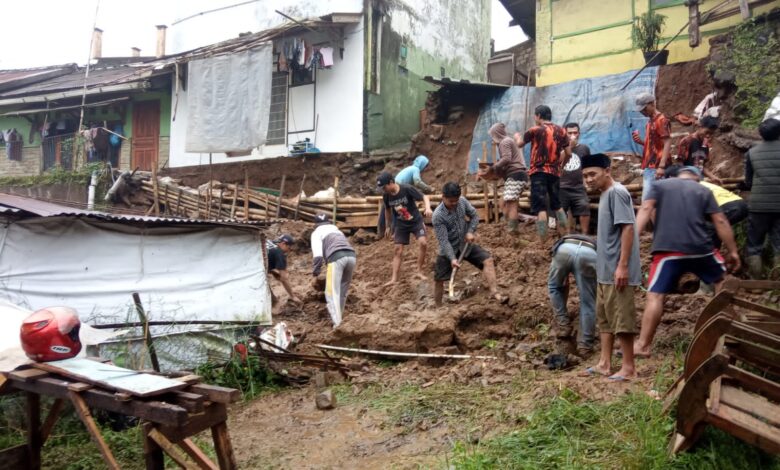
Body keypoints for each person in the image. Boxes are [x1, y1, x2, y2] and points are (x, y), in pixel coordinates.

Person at [634, 167, 741, 357]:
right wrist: (733, 251)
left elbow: (646, 209)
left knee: (655, 296)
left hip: (668, 251)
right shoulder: (703, 190)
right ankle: (729, 332)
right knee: (722, 283)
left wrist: (632, 242)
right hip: (702, 249)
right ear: (697, 178)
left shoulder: (659, 186)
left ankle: (643, 346)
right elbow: (721, 221)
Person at [581, 153, 642, 381]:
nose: (588, 179)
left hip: (618, 268)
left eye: (592, 174)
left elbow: (627, 228)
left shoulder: (617, 192)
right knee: (605, 318)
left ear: (608, 170)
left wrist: (623, 266)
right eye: (585, 176)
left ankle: (629, 367)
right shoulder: (605, 194)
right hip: (605, 270)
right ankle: (605, 363)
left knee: (622, 319)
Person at [432, 182, 504, 306]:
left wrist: (470, 231)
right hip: (449, 249)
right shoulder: (438, 216)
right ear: (443, 197)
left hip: (465, 244)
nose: (454, 204)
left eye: (456, 200)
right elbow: (444, 241)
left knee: (488, 261)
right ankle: (438, 306)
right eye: (451, 201)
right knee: (439, 279)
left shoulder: (462, 201)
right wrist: (452, 258)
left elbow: (474, 216)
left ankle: (495, 293)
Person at [514, 104, 572, 240]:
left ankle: (543, 240)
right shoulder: (562, 131)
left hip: (538, 172)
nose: (535, 118)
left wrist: (517, 136)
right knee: (557, 205)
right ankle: (566, 235)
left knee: (540, 207)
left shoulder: (535, 129)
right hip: (554, 173)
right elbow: (568, 152)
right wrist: (561, 166)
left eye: (535, 116)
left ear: (538, 116)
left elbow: (519, 144)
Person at [668, 166, 747, 248]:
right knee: (714, 227)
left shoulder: (689, 186)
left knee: (708, 228)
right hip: (740, 204)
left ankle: (710, 253)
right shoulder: (701, 183)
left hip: (728, 206)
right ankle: (716, 254)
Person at [378, 171, 433, 285]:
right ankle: (394, 279)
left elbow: (425, 197)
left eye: (384, 187)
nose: (384, 190)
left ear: (391, 182)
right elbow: (387, 210)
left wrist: (427, 208)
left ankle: (419, 271)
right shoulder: (386, 196)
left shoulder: (406, 189)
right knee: (398, 250)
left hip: (415, 221)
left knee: (423, 243)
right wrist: (388, 226)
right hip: (400, 224)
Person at [547, 234, 597, 356]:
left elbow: (562, 285)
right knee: (588, 302)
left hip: (564, 249)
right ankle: (585, 346)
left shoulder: (563, 240)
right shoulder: (595, 241)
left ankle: (563, 325)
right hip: (589, 253)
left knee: (554, 287)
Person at [743, 118, 780, 278]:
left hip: (758, 205)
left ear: (760, 134)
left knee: (754, 243)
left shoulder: (752, 152)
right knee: (779, 243)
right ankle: (777, 282)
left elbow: (748, 181)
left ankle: (756, 283)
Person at [310, 213, 357, 328]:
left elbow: (318, 256)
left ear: (315, 224)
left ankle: (338, 325)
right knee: (342, 291)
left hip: (336, 258)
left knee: (331, 293)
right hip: (351, 256)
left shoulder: (316, 233)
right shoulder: (337, 230)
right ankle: (339, 319)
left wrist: (315, 275)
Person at [482, 122, 529, 233]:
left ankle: (513, 232)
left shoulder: (505, 142)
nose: (492, 139)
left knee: (511, 205)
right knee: (502, 203)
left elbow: (507, 159)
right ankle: (516, 223)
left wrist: (493, 167)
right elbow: (507, 162)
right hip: (516, 175)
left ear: (496, 134)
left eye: (493, 135)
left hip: (516, 175)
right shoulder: (507, 142)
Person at [378, 156, 433, 235]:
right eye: (425, 166)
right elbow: (417, 182)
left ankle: (388, 230)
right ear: (423, 165)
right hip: (399, 187)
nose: (425, 168)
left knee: (392, 207)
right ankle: (396, 230)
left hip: (397, 185)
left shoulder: (411, 168)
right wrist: (428, 188)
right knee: (398, 208)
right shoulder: (415, 169)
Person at [632, 93, 671, 201]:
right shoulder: (650, 121)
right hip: (650, 166)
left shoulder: (661, 120)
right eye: (641, 110)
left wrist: (661, 166)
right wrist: (641, 141)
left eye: (644, 109)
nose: (642, 112)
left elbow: (667, 142)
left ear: (652, 104)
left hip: (656, 167)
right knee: (653, 202)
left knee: (648, 202)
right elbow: (654, 145)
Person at [560, 122, 592, 234]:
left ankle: (584, 236)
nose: (572, 135)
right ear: (565, 134)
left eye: (575, 132)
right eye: (569, 133)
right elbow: (557, 162)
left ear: (579, 134)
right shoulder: (559, 147)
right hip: (561, 186)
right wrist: (569, 147)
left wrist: (586, 182)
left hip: (578, 187)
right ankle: (563, 236)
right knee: (560, 211)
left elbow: (587, 168)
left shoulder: (584, 149)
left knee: (584, 207)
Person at [674, 116, 723, 184]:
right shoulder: (687, 141)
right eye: (707, 132)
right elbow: (680, 164)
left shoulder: (705, 145)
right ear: (700, 127)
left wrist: (713, 177)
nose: (708, 136)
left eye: (711, 134)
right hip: (686, 180)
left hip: (699, 180)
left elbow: (701, 166)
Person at [266, 234, 301, 304]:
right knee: (270, 299)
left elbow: (264, 258)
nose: (289, 251)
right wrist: (292, 296)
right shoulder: (279, 254)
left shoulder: (269, 242)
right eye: (289, 248)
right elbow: (284, 279)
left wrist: (272, 271)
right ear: (283, 244)